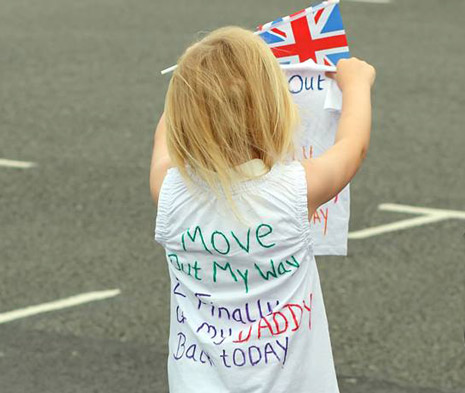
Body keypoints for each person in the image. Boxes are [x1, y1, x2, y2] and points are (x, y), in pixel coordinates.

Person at [150, 26, 375, 393]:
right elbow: (353, 145)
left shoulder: (169, 191)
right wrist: (357, 85)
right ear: (276, 111)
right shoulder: (293, 191)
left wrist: (190, 92)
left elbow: (164, 139)